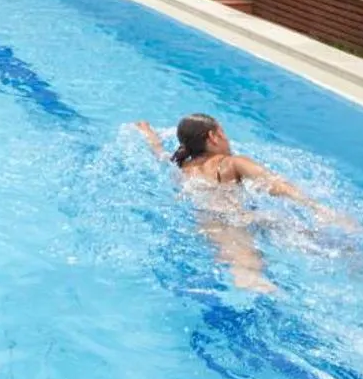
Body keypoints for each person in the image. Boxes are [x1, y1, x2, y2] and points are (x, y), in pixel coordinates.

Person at [135, 114, 351, 294]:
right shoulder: (231, 163)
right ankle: (248, 276)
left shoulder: (182, 167)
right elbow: (276, 184)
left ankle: (245, 275)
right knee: (291, 240)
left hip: (204, 221)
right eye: (224, 133)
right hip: (235, 217)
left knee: (233, 245)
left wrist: (149, 135)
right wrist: (319, 208)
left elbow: (160, 154)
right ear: (213, 136)